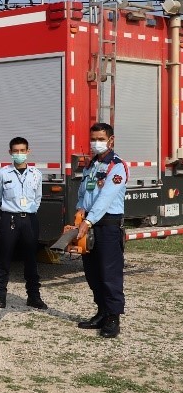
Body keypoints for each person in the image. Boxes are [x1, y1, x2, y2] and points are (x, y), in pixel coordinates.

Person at [76, 122, 128, 338]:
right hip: (89, 223)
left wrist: (88, 222)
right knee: (92, 272)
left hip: (107, 225)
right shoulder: (91, 165)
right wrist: (80, 211)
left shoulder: (116, 166)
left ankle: (113, 318)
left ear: (111, 140)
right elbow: (83, 193)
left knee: (109, 273)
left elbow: (106, 198)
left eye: (100, 139)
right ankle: (102, 312)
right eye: (93, 139)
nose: (95, 143)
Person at [0, 137, 47, 310]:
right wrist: (8, 212)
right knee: (5, 257)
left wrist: (29, 212)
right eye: (15, 151)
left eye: (22, 150)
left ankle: (34, 296)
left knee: (31, 258)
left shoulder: (36, 174)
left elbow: (38, 198)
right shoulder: (3, 173)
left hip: (29, 219)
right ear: (10, 152)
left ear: (28, 151)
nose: (19, 154)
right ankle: (0, 296)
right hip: (10, 218)